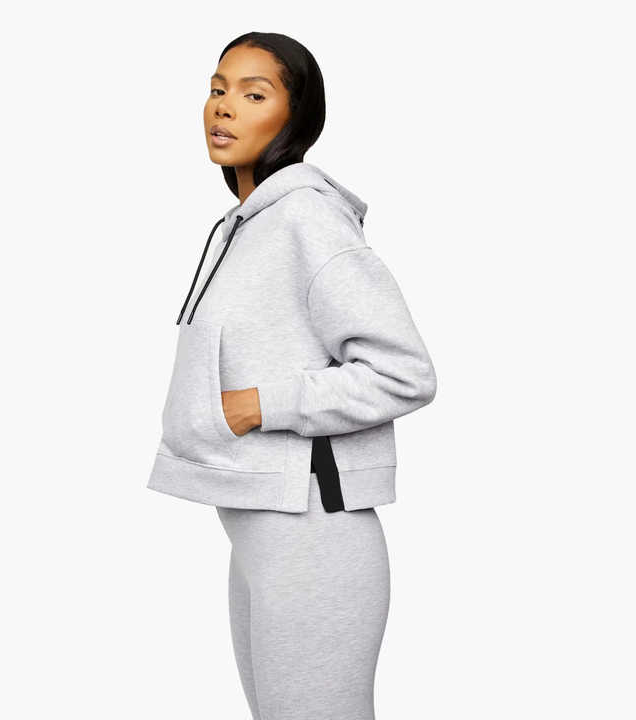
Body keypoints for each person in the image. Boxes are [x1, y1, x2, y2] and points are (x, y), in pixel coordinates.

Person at [147, 32, 437, 720]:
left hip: (313, 530)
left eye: (254, 95)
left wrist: (259, 404)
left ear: (296, 116)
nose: (224, 107)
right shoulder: (244, 226)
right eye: (218, 89)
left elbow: (404, 372)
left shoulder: (309, 219)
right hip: (259, 524)